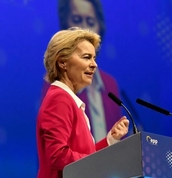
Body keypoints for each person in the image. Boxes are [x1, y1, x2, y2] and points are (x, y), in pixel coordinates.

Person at [36, 27, 129, 178]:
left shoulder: (68, 100)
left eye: (94, 58)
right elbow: (58, 156)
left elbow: (85, 156)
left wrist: (110, 140)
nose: (94, 64)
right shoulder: (59, 99)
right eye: (86, 57)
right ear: (62, 62)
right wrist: (99, 162)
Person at [41, 0, 123, 142]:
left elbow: (93, 154)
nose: (84, 30)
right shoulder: (55, 87)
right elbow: (56, 155)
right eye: (77, 20)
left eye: (90, 22)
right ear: (64, 27)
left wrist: (111, 141)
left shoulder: (110, 85)